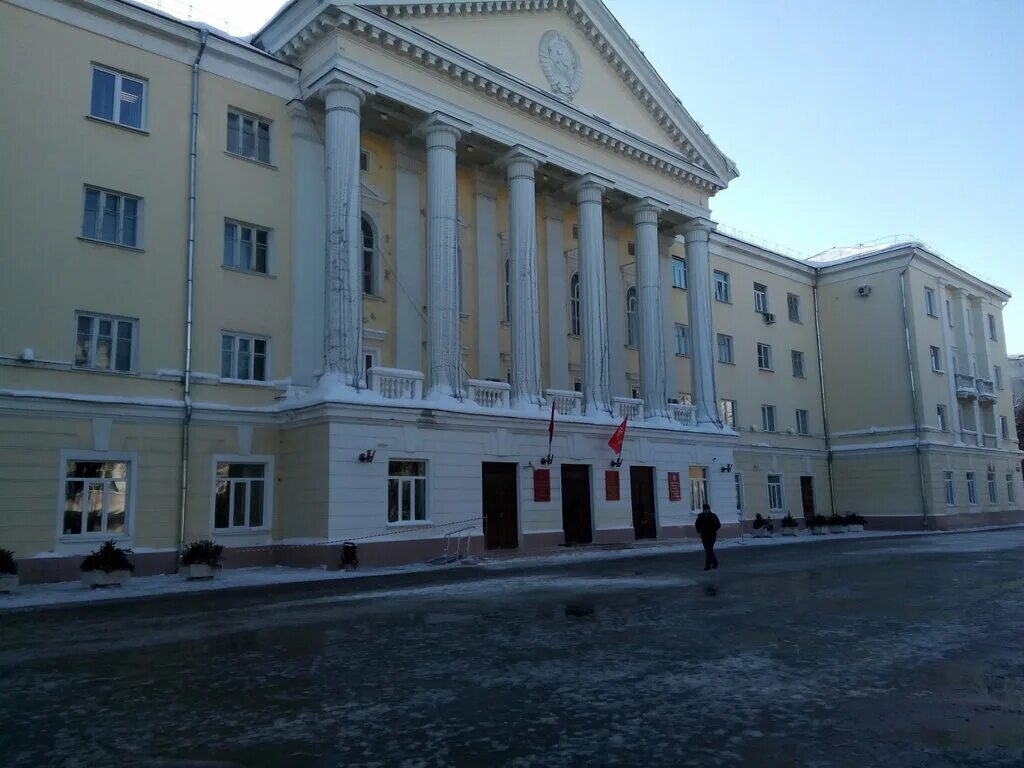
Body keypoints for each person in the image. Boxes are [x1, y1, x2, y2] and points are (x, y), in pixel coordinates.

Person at [695, 503, 721, 571]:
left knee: (709, 550)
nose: (705, 511)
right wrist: (699, 530)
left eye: (706, 509)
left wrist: (712, 530)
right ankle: (715, 562)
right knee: (708, 550)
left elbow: (718, 525)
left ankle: (708, 566)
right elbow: (697, 524)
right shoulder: (700, 516)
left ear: (709, 509)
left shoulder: (713, 516)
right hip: (704, 536)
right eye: (704, 509)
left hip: (711, 536)